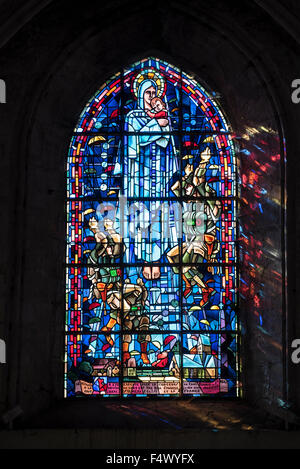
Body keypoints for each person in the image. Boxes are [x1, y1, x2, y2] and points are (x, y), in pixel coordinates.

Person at [167, 147, 221, 307]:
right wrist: (187, 175)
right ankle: (195, 286)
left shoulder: (207, 205)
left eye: (188, 187)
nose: (185, 188)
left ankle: (203, 289)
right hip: (191, 243)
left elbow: (199, 181)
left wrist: (203, 162)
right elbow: (174, 188)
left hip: (202, 243)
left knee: (182, 265)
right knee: (171, 257)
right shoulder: (189, 203)